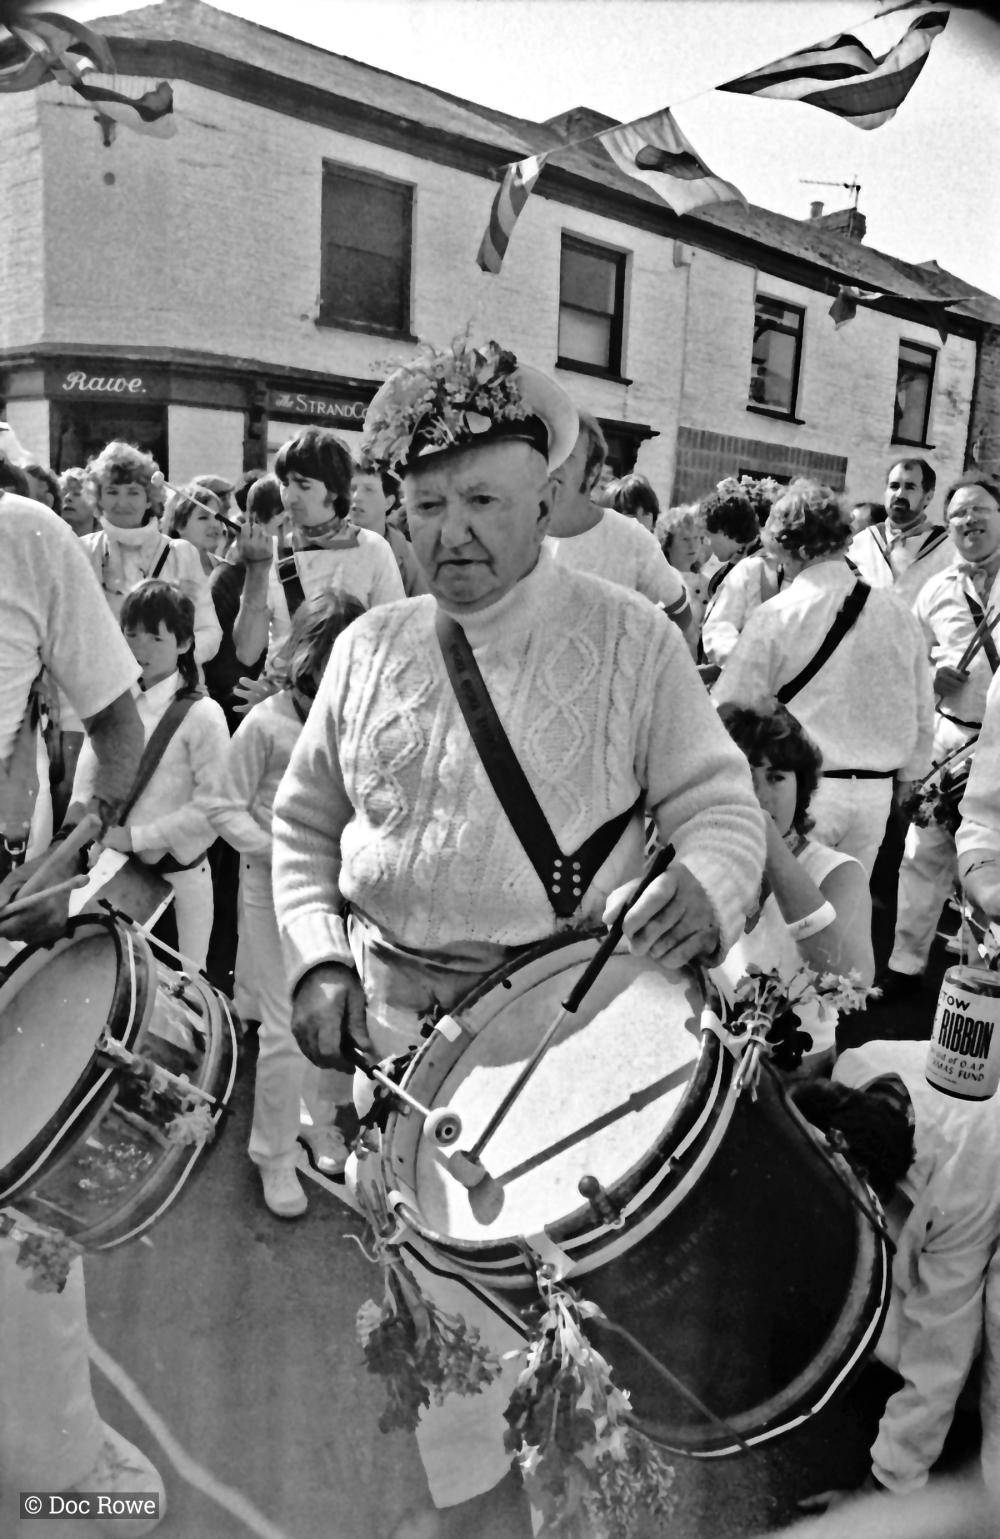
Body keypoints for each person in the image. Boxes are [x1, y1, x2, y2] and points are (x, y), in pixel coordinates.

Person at [271, 338, 766, 1538]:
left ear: (545, 493)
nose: (453, 533)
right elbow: (300, 831)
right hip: (400, 1057)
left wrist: (704, 884)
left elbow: (721, 808)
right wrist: (321, 957)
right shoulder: (366, 650)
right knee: (438, 1352)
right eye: (427, 505)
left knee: (580, 1356)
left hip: (568, 1054)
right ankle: (470, 1509)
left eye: (483, 501)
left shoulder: (632, 640)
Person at [0, 496, 163, 1535]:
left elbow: (118, 724)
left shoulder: (25, 538)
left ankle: (51, 1471)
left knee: (23, 1219)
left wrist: (79, 853)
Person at [206, 589, 363, 1217]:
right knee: (280, 1029)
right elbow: (221, 805)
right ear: (303, 658)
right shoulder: (267, 723)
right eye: (323, 669)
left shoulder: (354, 722)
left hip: (338, 896)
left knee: (336, 1016)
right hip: (270, 892)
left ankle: (314, 1117)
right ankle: (271, 1156)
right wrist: (277, 849)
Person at [794, 1038, 1000, 1508]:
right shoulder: (856, 1065)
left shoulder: (962, 1183)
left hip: (986, 1162)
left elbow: (939, 1351)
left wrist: (884, 1488)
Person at [714, 480, 934, 877]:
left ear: (794, 548)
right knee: (844, 916)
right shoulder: (898, 613)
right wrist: (909, 776)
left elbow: (731, 708)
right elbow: (921, 704)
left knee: (786, 921)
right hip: (874, 795)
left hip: (802, 792)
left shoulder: (778, 615)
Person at [70, 580, 230, 970]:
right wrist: (82, 838)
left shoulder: (203, 714)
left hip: (178, 885)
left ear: (184, 644)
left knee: (181, 998)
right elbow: (86, 782)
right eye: (131, 635)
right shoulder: (111, 704)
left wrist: (138, 837)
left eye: (155, 639)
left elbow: (215, 809)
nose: (140, 649)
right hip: (108, 874)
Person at [882, 474, 1000, 998]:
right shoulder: (935, 590)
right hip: (949, 742)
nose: (968, 521)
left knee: (990, 861)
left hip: (998, 751)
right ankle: (906, 963)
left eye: (979, 510)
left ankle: (980, 964)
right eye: (957, 514)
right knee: (922, 854)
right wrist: (933, 683)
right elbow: (906, 668)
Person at [713, 700, 874, 1066]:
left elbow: (850, 987)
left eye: (776, 777)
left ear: (801, 787)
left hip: (794, 1069)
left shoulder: (838, 872)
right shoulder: (697, 861)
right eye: (743, 775)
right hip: (706, 1056)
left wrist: (773, 851)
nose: (760, 795)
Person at [544, 410, 694, 643]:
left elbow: (680, 613)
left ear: (591, 471)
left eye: (568, 456)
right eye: (551, 452)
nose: (555, 464)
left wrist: (632, 654)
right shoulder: (517, 532)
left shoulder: (631, 538)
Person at [264, 426, 404, 672]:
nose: (289, 496)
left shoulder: (372, 549)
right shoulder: (271, 550)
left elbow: (395, 638)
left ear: (335, 489)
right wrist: (255, 572)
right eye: (285, 483)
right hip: (282, 695)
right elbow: (246, 652)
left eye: (303, 486)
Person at [80, 441, 221, 664]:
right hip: (103, 689)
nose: (122, 502)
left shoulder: (181, 554)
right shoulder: (82, 551)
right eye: (112, 491)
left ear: (148, 499)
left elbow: (209, 630)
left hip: (170, 690)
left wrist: (168, 662)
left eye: (133, 492)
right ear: (99, 498)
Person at [849, 460, 951, 609]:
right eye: (894, 486)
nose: (900, 494)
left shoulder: (947, 550)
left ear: (928, 497)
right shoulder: (859, 545)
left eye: (910, 487)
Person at [350, 453, 425, 596]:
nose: (356, 497)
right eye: (353, 489)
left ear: (388, 502)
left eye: (369, 490)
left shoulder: (410, 559)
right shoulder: (325, 547)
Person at [700, 477, 764, 597]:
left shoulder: (757, 568)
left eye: (708, 536)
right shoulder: (745, 559)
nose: (708, 543)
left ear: (723, 532)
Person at [163, 481, 227, 575]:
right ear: (179, 525)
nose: (215, 524)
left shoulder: (226, 570)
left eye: (218, 518)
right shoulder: (164, 568)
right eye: (203, 517)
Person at [58, 466, 99, 536]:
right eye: (64, 492)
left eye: (77, 494)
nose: (67, 497)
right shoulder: (47, 543)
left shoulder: (105, 545)